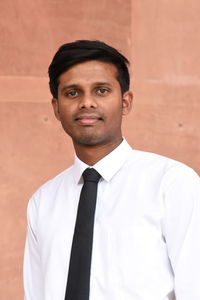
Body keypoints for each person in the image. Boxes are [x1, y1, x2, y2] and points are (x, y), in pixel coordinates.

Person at [23, 40, 200, 300]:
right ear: (56, 108)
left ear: (125, 102)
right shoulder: (43, 201)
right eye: (72, 93)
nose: (86, 103)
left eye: (101, 90)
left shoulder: (172, 184)